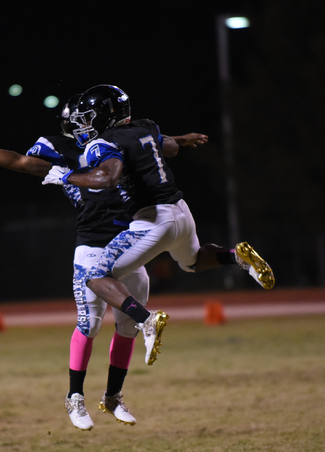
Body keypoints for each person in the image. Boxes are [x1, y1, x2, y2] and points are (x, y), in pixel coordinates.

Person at [0, 96, 208, 431]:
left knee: (126, 327)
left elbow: (153, 141)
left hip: (130, 239)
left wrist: (183, 139)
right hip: (92, 244)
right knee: (90, 322)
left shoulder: (113, 139)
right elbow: (21, 162)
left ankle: (113, 397)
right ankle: (75, 397)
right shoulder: (61, 148)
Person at [42, 85, 275, 376]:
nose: (86, 125)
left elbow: (108, 177)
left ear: (104, 116)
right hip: (181, 211)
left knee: (95, 276)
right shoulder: (146, 127)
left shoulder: (102, 143)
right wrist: (181, 139)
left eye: (89, 117)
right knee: (192, 262)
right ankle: (234, 255)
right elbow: (172, 148)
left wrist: (66, 176)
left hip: (152, 218)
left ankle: (145, 319)